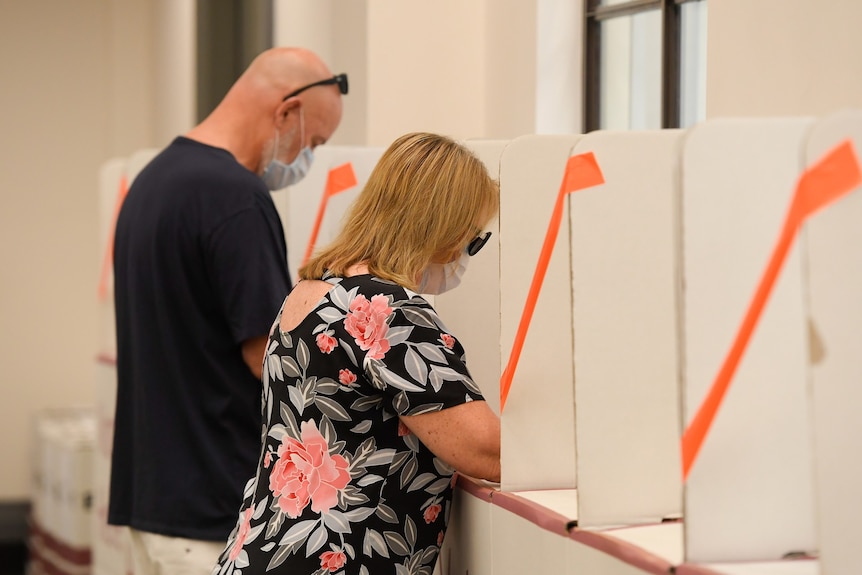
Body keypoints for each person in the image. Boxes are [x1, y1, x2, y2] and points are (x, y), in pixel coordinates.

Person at [211, 132, 501, 575]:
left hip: (263, 552)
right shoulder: (385, 310)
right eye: (472, 239)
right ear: (446, 230)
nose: (465, 255)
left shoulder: (310, 293)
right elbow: (485, 450)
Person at [108, 46, 347, 575]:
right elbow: (271, 357)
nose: (307, 158)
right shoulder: (235, 197)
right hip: (216, 509)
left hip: (155, 502)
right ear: (285, 112)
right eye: (314, 142)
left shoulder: (154, 181)